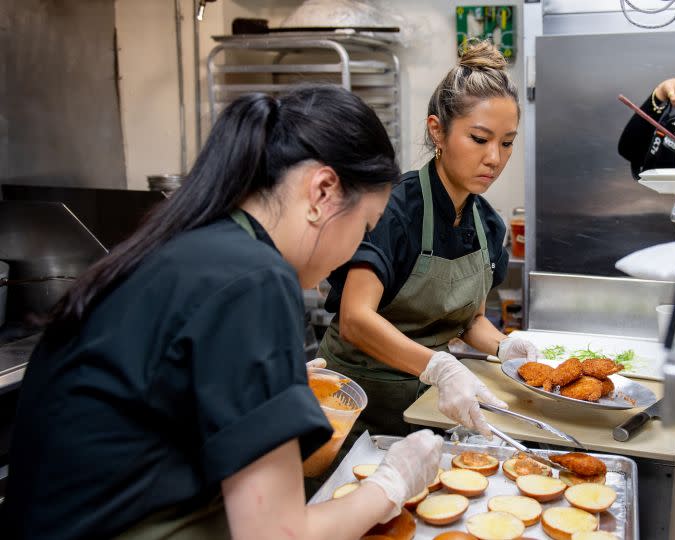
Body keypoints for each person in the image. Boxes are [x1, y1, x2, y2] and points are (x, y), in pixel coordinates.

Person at [3, 85, 442, 540]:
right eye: (365, 226)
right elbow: (275, 536)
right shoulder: (254, 278)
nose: (357, 249)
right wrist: (392, 483)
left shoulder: (192, 245)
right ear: (322, 190)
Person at [319, 41, 540, 440]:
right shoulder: (394, 209)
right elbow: (355, 318)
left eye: (507, 143)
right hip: (353, 406)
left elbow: (467, 320)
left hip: (424, 404)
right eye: (479, 138)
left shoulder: (488, 225)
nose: (495, 157)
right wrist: (440, 366)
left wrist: (504, 348)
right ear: (437, 130)